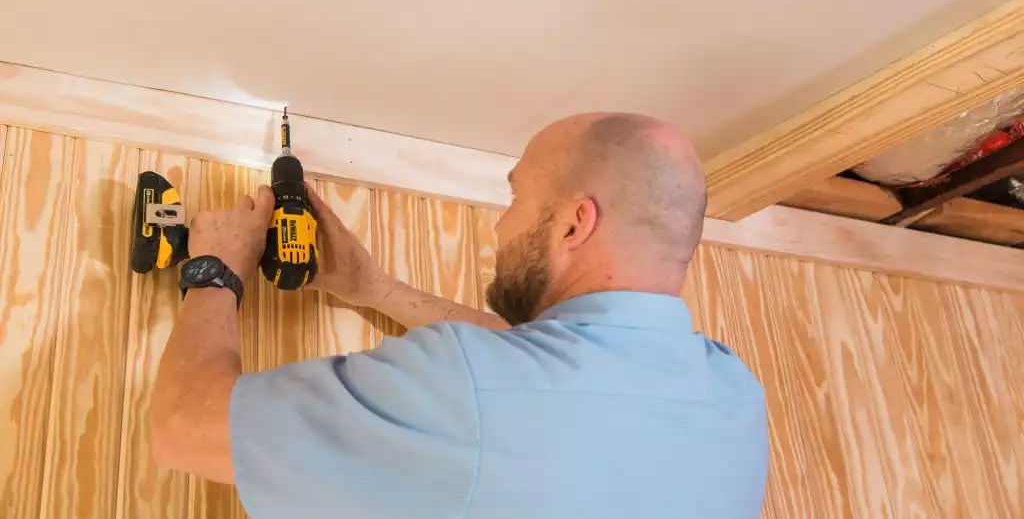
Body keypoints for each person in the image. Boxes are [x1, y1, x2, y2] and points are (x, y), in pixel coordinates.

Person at [151, 112, 769, 519]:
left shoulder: (467, 386)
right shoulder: (733, 397)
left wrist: (217, 270)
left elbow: (182, 428)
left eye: (517, 199)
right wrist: (376, 287)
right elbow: (554, 373)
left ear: (576, 223)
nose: (502, 225)